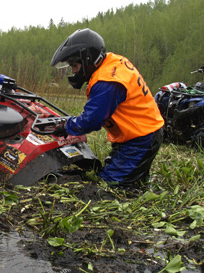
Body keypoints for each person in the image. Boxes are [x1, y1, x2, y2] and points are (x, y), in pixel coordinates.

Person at [50, 28, 164, 187]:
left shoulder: (106, 81)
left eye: (75, 65)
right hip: (138, 132)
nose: (74, 71)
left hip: (140, 138)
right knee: (128, 177)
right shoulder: (111, 62)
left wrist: (66, 126)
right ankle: (139, 184)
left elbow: (92, 119)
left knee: (110, 186)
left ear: (87, 59)